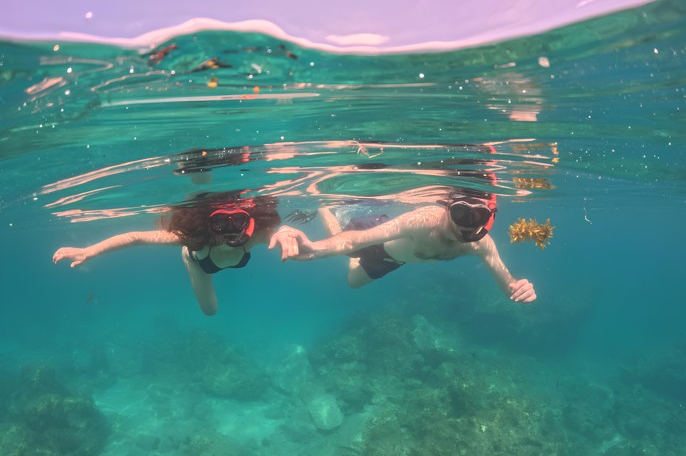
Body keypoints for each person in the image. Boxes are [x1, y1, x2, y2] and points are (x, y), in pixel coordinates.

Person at [53, 192, 306, 315]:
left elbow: (278, 232)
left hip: (219, 255)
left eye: (238, 221)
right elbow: (136, 237)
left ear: (249, 221)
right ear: (209, 223)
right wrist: (89, 251)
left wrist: (285, 233)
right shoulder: (198, 240)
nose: (230, 229)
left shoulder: (255, 236)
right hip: (200, 262)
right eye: (221, 222)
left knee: (211, 311)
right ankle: (186, 256)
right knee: (210, 311)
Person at [272, 191, 536, 303]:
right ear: (447, 207)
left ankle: (354, 259)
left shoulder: (480, 244)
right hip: (378, 241)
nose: (466, 225)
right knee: (342, 241)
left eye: (477, 216)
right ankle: (324, 206)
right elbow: (354, 241)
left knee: (353, 282)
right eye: (460, 212)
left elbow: (509, 283)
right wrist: (314, 249)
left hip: (396, 259)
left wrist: (519, 287)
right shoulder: (423, 221)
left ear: (489, 217)